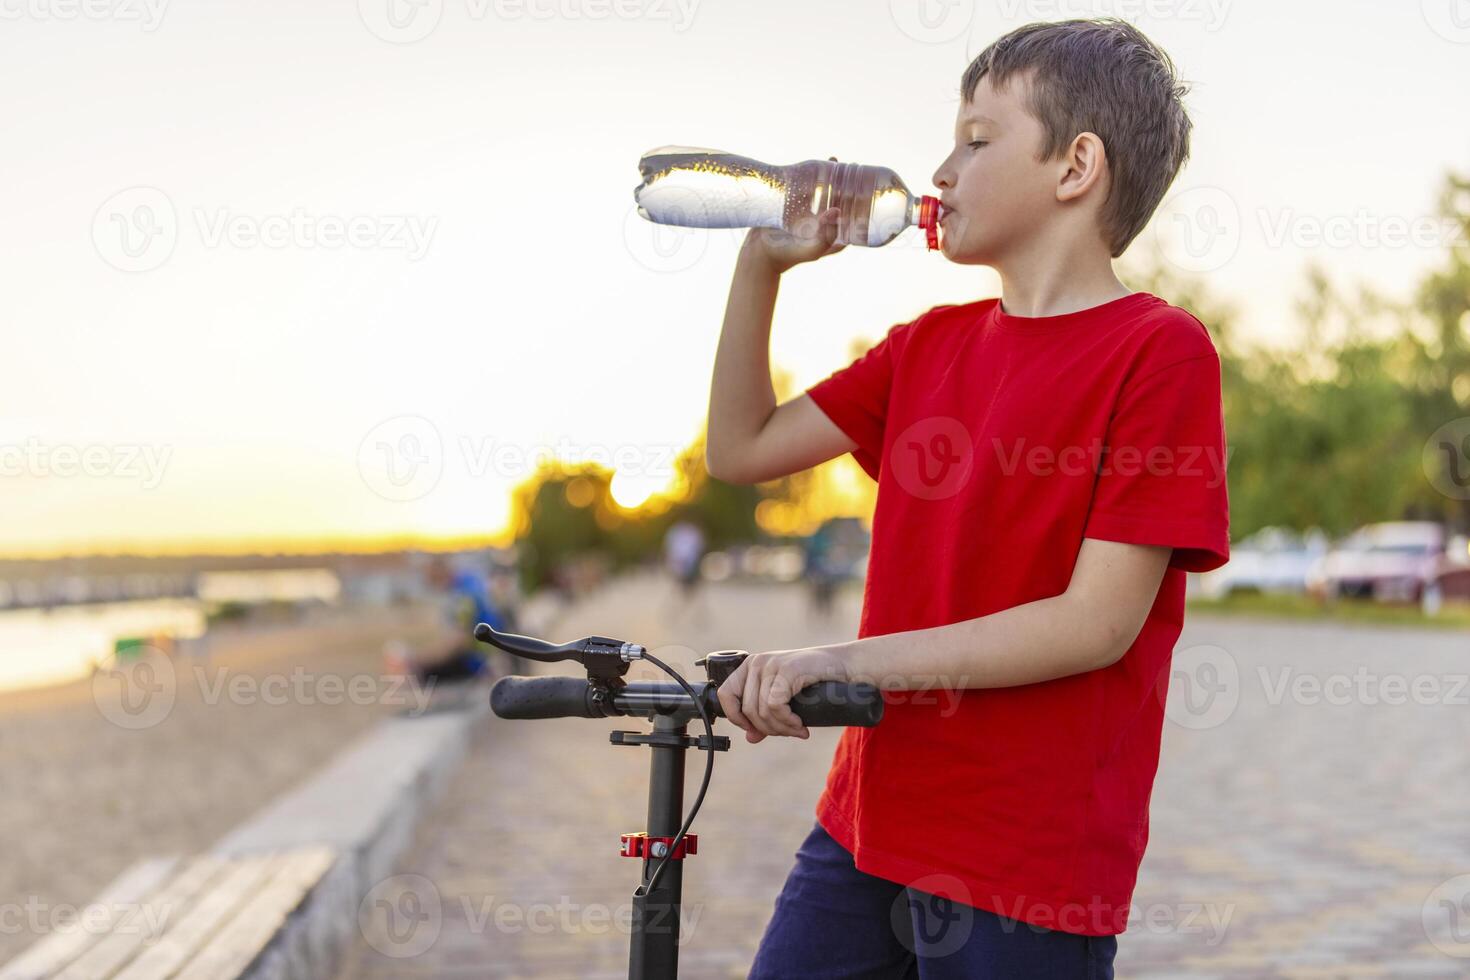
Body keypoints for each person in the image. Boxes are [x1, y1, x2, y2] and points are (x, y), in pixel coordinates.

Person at [704, 20, 1229, 978]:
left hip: (1025, 856)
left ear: (1076, 166)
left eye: (977, 140)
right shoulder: (926, 346)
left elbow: (1095, 624)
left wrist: (840, 657)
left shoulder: (1159, 351)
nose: (940, 170)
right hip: (869, 818)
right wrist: (760, 267)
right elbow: (740, 449)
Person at [661, 518, 708, 621]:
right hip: (684, 566)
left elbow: (668, 549)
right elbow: (699, 549)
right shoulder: (690, 532)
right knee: (685, 592)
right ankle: (677, 613)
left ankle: (678, 614)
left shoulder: (675, 531)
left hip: (684, 566)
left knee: (687, 591)